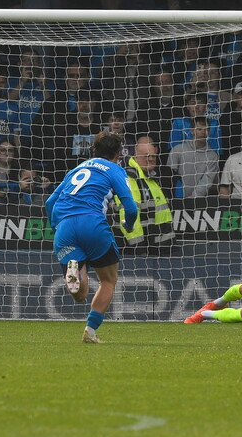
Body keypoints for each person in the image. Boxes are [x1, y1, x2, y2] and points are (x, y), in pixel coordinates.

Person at [46, 131, 138, 344]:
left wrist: (56, 227)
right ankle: (90, 329)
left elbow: (50, 202)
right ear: (118, 154)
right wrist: (129, 225)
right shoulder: (115, 170)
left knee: (80, 294)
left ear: (93, 150)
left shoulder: (76, 169)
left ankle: (74, 270)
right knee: (108, 280)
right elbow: (131, 208)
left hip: (65, 227)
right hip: (93, 223)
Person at [115, 136, 175, 254]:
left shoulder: (149, 177)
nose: (151, 159)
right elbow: (128, 215)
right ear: (136, 157)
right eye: (147, 156)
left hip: (156, 247)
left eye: (153, 156)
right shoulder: (131, 178)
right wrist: (139, 248)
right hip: (134, 251)